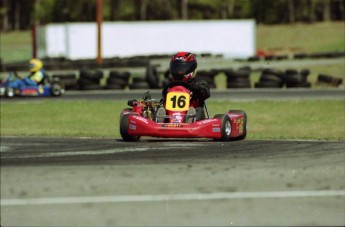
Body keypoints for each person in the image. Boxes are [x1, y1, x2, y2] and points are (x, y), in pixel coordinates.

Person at [157, 52, 210, 122]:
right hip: (170, 116)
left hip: (192, 115)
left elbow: (205, 92)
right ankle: (161, 118)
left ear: (192, 69)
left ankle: (191, 118)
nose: (179, 72)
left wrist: (193, 88)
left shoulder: (198, 83)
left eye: (182, 68)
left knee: (199, 110)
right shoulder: (170, 86)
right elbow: (163, 98)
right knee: (160, 107)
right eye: (176, 68)